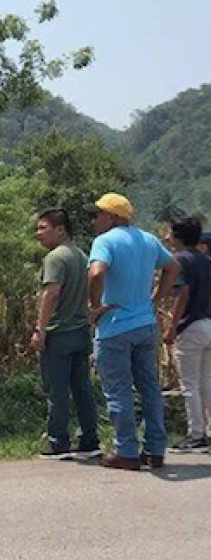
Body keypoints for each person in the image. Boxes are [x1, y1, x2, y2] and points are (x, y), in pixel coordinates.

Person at [88, 193, 179, 470]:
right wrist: (157, 298)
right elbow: (173, 267)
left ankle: (126, 450)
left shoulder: (105, 241)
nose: (95, 220)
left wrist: (95, 306)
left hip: (115, 326)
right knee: (149, 387)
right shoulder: (149, 240)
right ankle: (155, 448)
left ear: (113, 217)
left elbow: (95, 273)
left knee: (118, 390)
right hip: (145, 324)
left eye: (99, 214)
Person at [31, 208, 101, 459]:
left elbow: (51, 293)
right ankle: (89, 439)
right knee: (82, 388)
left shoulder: (55, 258)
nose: (38, 233)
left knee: (57, 390)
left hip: (59, 333)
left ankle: (58, 441)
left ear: (60, 229)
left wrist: (40, 329)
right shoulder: (81, 255)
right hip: (81, 332)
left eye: (43, 227)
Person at [162, 216, 211, 452]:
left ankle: (196, 435)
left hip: (190, 326)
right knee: (206, 382)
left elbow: (183, 292)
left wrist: (172, 326)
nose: (166, 237)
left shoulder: (179, 260)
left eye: (169, 233)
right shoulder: (204, 259)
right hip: (206, 323)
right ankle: (207, 431)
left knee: (189, 384)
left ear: (178, 237)